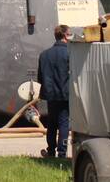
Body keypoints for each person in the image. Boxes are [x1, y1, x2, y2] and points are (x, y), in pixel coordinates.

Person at [37, 24, 72, 159]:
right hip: (65, 95)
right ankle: (62, 153)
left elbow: (40, 77)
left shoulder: (44, 55)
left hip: (50, 96)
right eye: (69, 33)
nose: (70, 36)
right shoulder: (70, 53)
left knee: (51, 124)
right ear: (64, 35)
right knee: (64, 123)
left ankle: (51, 151)